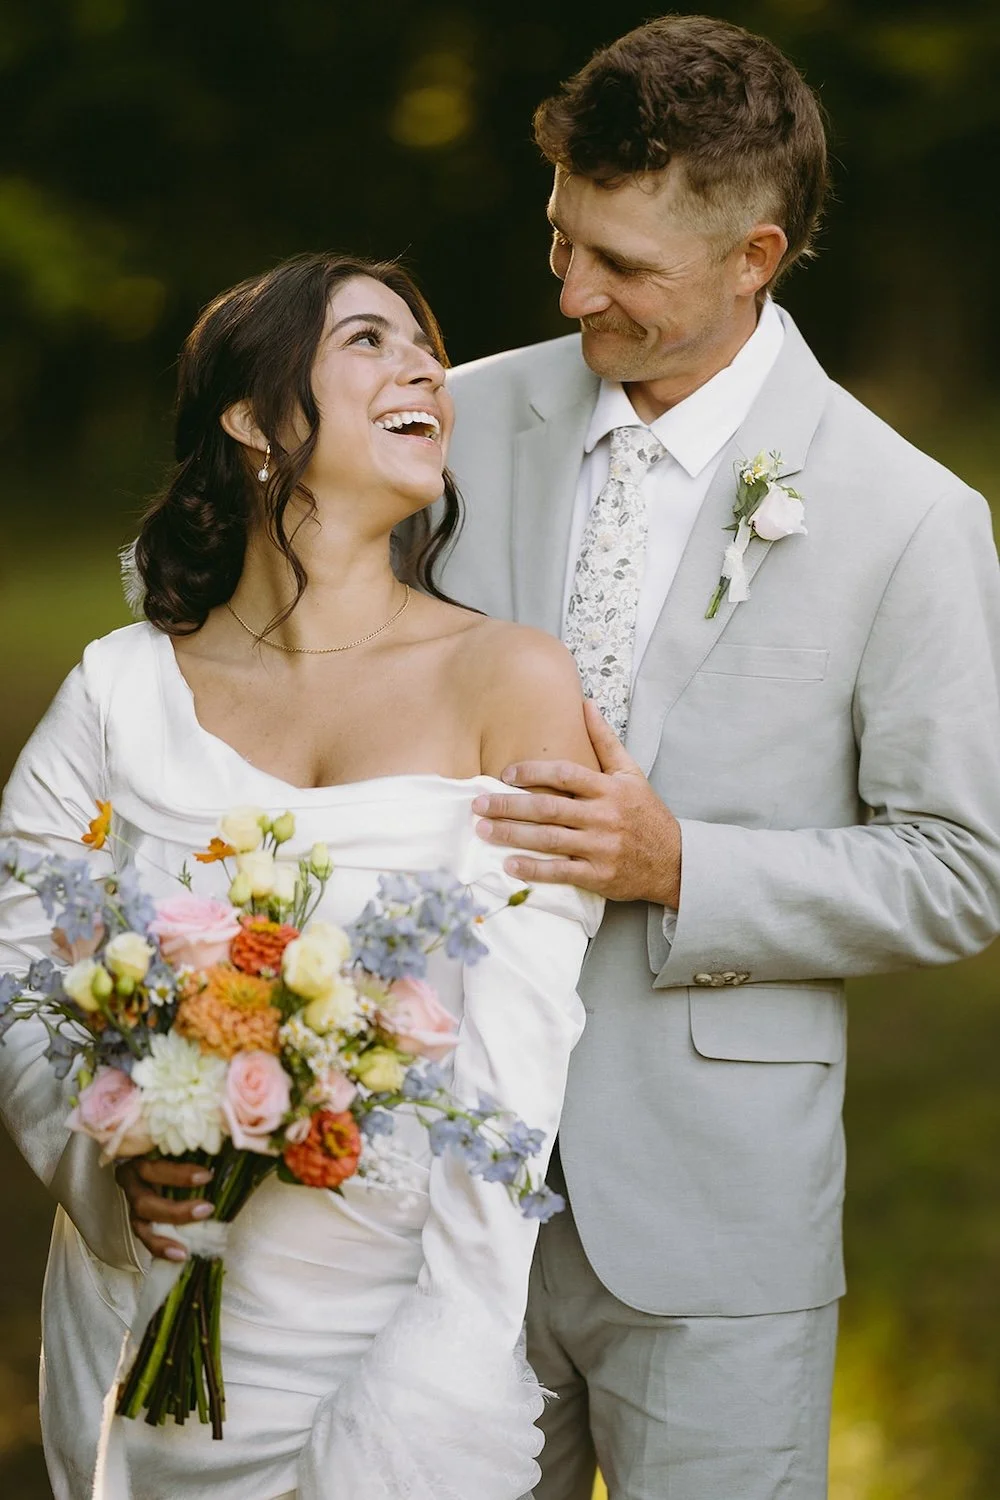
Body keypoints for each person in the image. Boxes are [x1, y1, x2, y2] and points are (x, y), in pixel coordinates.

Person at [436, 15, 1000, 1500]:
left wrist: (679, 864)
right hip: (433, 1187)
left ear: (755, 255)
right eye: (561, 234)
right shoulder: (449, 422)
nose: (570, 289)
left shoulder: (909, 514)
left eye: (621, 266)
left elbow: (963, 868)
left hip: (714, 1218)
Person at [0, 252, 603, 1500]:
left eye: (428, 348)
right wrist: (105, 1153)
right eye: (372, 341)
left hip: (378, 1317)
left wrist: (447, 1358)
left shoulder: (512, 683)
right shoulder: (120, 689)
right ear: (257, 418)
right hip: (143, 1299)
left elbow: (520, 1049)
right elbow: (13, 958)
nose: (426, 366)